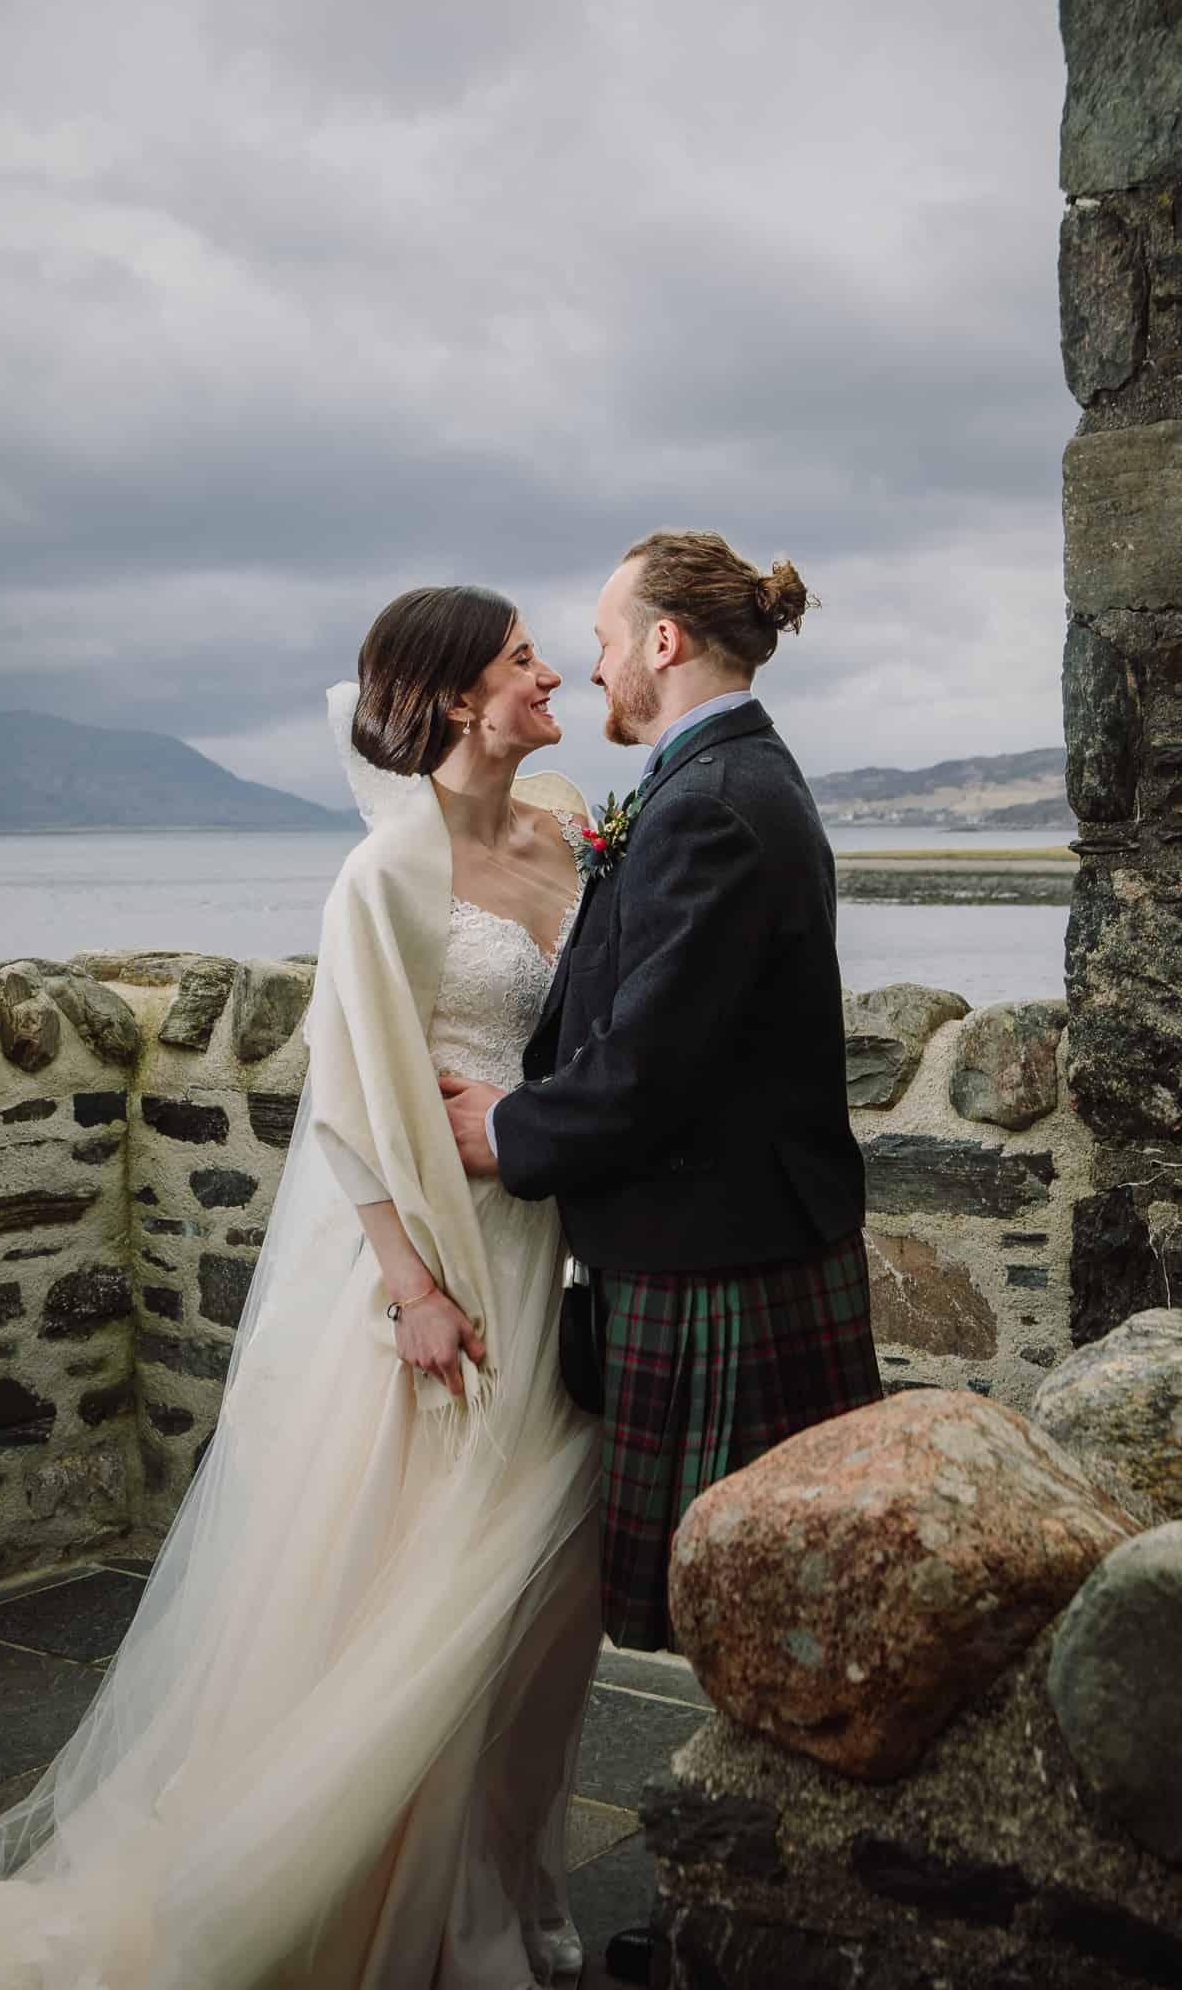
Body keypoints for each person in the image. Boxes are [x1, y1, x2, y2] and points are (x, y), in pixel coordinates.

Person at [0, 587, 603, 1990]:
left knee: (523, 1600)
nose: (550, 671)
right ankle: (364, 1911)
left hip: (543, 1232)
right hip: (439, 1266)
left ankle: (482, 1889)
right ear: (458, 696)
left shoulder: (566, 839)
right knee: (409, 1590)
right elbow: (347, 1094)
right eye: (524, 659)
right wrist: (411, 1289)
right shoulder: (386, 874)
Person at [442, 531, 884, 1985]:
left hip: (722, 1258)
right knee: (755, 1606)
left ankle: (760, 1922)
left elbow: (651, 1070)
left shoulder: (717, 799)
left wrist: (507, 1132)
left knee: (746, 1610)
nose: (596, 663)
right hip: (741, 1239)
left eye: (607, 636)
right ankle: (762, 1906)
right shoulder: (720, 781)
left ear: (669, 645)